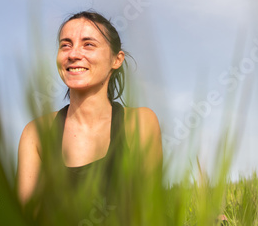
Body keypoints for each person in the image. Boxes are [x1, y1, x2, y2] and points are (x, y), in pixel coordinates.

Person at [17, 11, 163, 207]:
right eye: (65, 45)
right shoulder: (36, 132)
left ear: (116, 59)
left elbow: (149, 213)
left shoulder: (139, 122)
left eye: (88, 44)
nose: (73, 54)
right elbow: (25, 219)